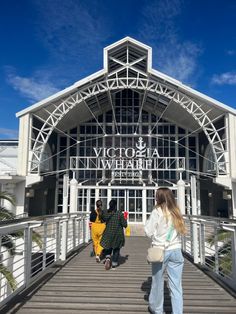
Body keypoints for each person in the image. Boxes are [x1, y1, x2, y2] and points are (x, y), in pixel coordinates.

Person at [145, 188, 186, 314]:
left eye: (156, 196)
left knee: (158, 283)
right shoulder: (176, 211)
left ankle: (158, 310)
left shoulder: (157, 211)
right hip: (176, 250)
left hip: (161, 251)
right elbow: (180, 230)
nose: (155, 198)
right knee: (176, 286)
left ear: (160, 198)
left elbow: (148, 231)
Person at [100, 199, 127, 270]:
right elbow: (125, 224)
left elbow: (102, 220)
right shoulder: (119, 213)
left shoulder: (106, 212)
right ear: (115, 205)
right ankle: (114, 264)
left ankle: (108, 258)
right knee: (116, 249)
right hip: (117, 234)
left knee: (108, 247)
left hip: (108, 233)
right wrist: (125, 219)